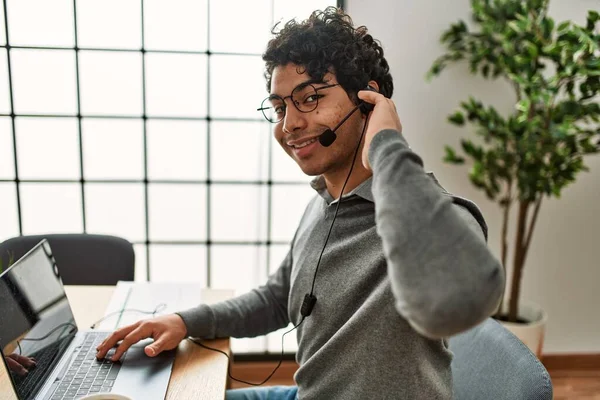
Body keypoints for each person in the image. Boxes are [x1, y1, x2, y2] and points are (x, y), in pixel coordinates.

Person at [96, 7, 504, 399]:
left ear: (369, 101)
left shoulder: (434, 213)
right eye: (279, 107)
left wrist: (385, 144)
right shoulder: (324, 202)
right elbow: (276, 298)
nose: (289, 124)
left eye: (309, 98)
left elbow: (456, 295)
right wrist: (185, 321)